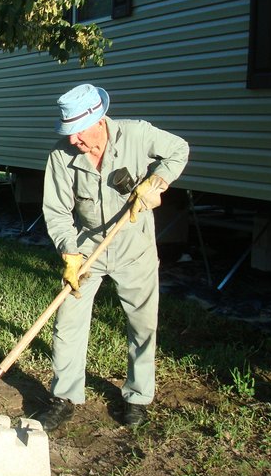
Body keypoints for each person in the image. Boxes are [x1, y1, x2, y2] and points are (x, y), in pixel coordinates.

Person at [39, 83, 188, 431]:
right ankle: (64, 397)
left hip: (134, 246)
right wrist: (69, 252)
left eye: (77, 132)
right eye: (68, 132)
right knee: (68, 323)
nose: (73, 140)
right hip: (87, 248)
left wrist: (157, 184)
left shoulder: (137, 134)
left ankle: (136, 397)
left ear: (99, 119)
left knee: (142, 324)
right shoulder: (61, 155)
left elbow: (179, 150)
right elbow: (57, 211)